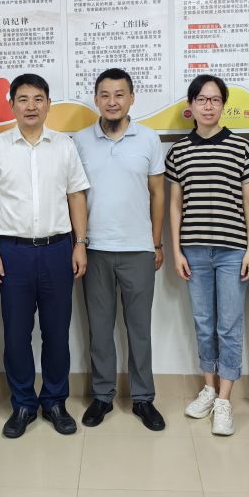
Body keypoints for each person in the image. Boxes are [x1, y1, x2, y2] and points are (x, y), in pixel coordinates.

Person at [0, 73, 90, 439]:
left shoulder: (64, 146)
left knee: (57, 333)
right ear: (12, 105)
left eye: (38, 99)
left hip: (57, 249)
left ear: (48, 104)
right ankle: (23, 403)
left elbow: (76, 195)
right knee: (16, 334)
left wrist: (80, 243)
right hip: (13, 252)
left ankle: (54, 401)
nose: (31, 106)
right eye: (23, 99)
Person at [73, 68, 167, 431]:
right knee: (100, 329)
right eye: (105, 95)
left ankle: (143, 398)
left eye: (119, 94)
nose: (112, 102)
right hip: (95, 248)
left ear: (131, 98)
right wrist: (80, 243)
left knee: (139, 329)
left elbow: (158, 193)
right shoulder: (79, 141)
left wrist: (155, 242)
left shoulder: (149, 139)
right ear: (96, 99)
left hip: (138, 249)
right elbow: (75, 195)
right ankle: (102, 395)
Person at [167, 74, 249, 436]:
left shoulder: (240, 147)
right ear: (191, 105)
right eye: (202, 100)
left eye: (215, 99)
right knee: (204, 322)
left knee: (229, 326)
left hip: (233, 250)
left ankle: (224, 399)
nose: (208, 106)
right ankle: (208, 387)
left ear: (223, 105)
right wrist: (176, 250)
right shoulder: (178, 151)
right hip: (194, 251)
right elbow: (176, 205)